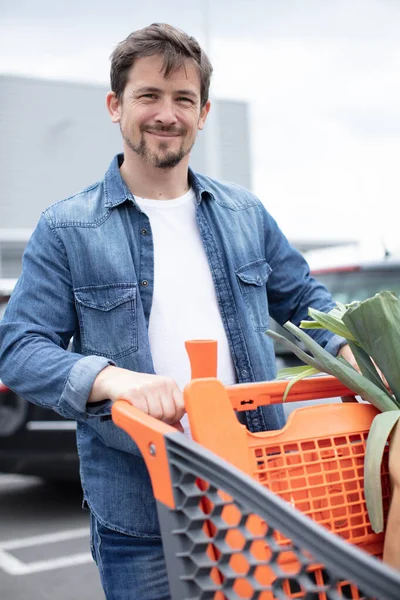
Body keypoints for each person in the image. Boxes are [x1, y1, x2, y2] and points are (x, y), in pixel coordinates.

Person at [0, 23, 354, 600]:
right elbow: (17, 349)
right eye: (149, 96)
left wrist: (353, 352)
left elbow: (307, 302)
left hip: (257, 487)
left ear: (203, 112)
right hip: (141, 508)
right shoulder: (67, 228)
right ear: (116, 106)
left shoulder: (246, 213)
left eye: (183, 99)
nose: (167, 114)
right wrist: (114, 380)